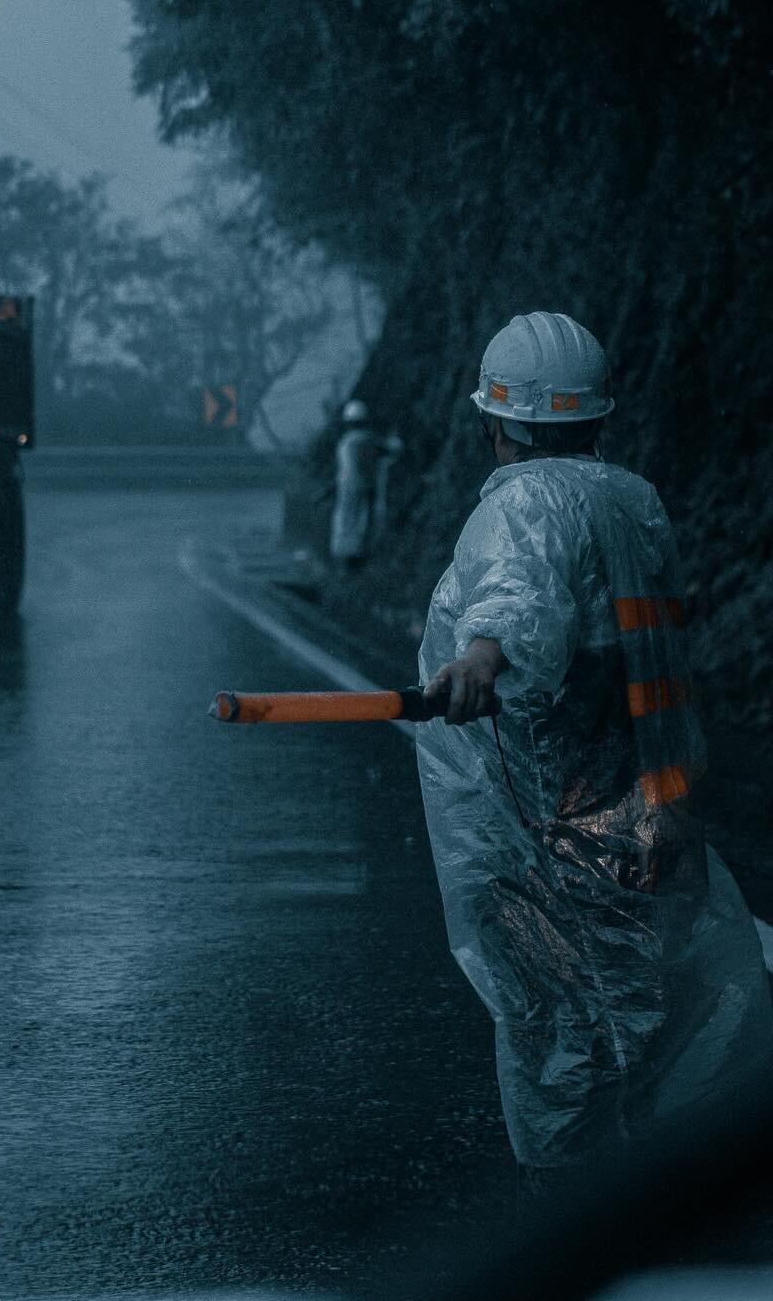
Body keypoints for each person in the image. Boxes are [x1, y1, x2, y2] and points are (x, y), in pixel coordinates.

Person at [418, 311, 773, 1188]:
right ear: (596, 416)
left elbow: (517, 593)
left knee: (560, 1025)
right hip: (644, 801)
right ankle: (663, 1206)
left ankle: (576, 1229)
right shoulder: (631, 498)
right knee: (648, 1005)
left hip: (551, 817)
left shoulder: (527, 501)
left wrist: (478, 657)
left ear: (498, 422)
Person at [329, 399, 401, 574]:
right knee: (360, 521)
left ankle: (345, 564)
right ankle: (354, 563)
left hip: (346, 487)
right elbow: (391, 449)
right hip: (361, 486)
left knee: (345, 521)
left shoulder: (345, 442)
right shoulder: (365, 439)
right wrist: (395, 439)